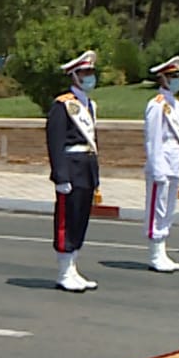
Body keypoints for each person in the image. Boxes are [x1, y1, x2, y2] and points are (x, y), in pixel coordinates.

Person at [46, 50, 101, 292]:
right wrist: (60, 175)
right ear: (74, 75)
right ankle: (64, 270)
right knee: (67, 219)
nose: (90, 77)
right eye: (85, 73)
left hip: (86, 167)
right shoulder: (63, 105)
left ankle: (73, 266)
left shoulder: (88, 105)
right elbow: (55, 141)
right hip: (71, 166)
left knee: (80, 219)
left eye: (91, 72)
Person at [144, 56, 179, 273]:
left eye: (178, 75)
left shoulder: (178, 105)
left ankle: (163, 250)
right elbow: (153, 139)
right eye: (172, 76)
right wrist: (157, 168)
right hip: (160, 161)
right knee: (157, 207)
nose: (176, 79)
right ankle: (155, 252)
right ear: (162, 79)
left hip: (174, 161)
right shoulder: (157, 105)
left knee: (169, 207)